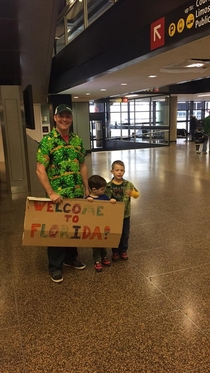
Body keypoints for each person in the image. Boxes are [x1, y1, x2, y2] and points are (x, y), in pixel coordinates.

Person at [36, 104, 89, 283]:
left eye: (68, 116)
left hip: (75, 193)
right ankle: (55, 266)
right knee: (57, 231)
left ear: (71, 119)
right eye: (61, 116)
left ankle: (70, 258)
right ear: (55, 118)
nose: (65, 119)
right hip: (57, 197)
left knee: (73, 228)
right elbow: (40, 170)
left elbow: (82, 165)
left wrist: (87, 188)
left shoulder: (77, 140)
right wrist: (50, 193)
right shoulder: (47, 141)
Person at [105, 160, 140, 261]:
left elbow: (137, 195)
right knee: (116, 233)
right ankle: (115, 251)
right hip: (114, 215)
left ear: (124, 172)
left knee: (125, 233)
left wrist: (132, 193)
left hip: (125, 214)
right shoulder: (108, 186)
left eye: (122, 170)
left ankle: (123, 250)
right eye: (117, 170)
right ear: (112, 171)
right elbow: (105, 199)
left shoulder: (128, 184)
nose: (119, 172)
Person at [86, 175, 116, 272]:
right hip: (94, 226)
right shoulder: (88, 199)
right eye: (102, 189)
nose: (104, 191)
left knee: (103, 242)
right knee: (96, 244)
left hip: (103, 225)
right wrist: (88, 201)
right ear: (94, 190)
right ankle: (97, 260)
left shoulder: (104, 197)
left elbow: (109, 206)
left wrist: (111, 201)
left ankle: (104, 256)